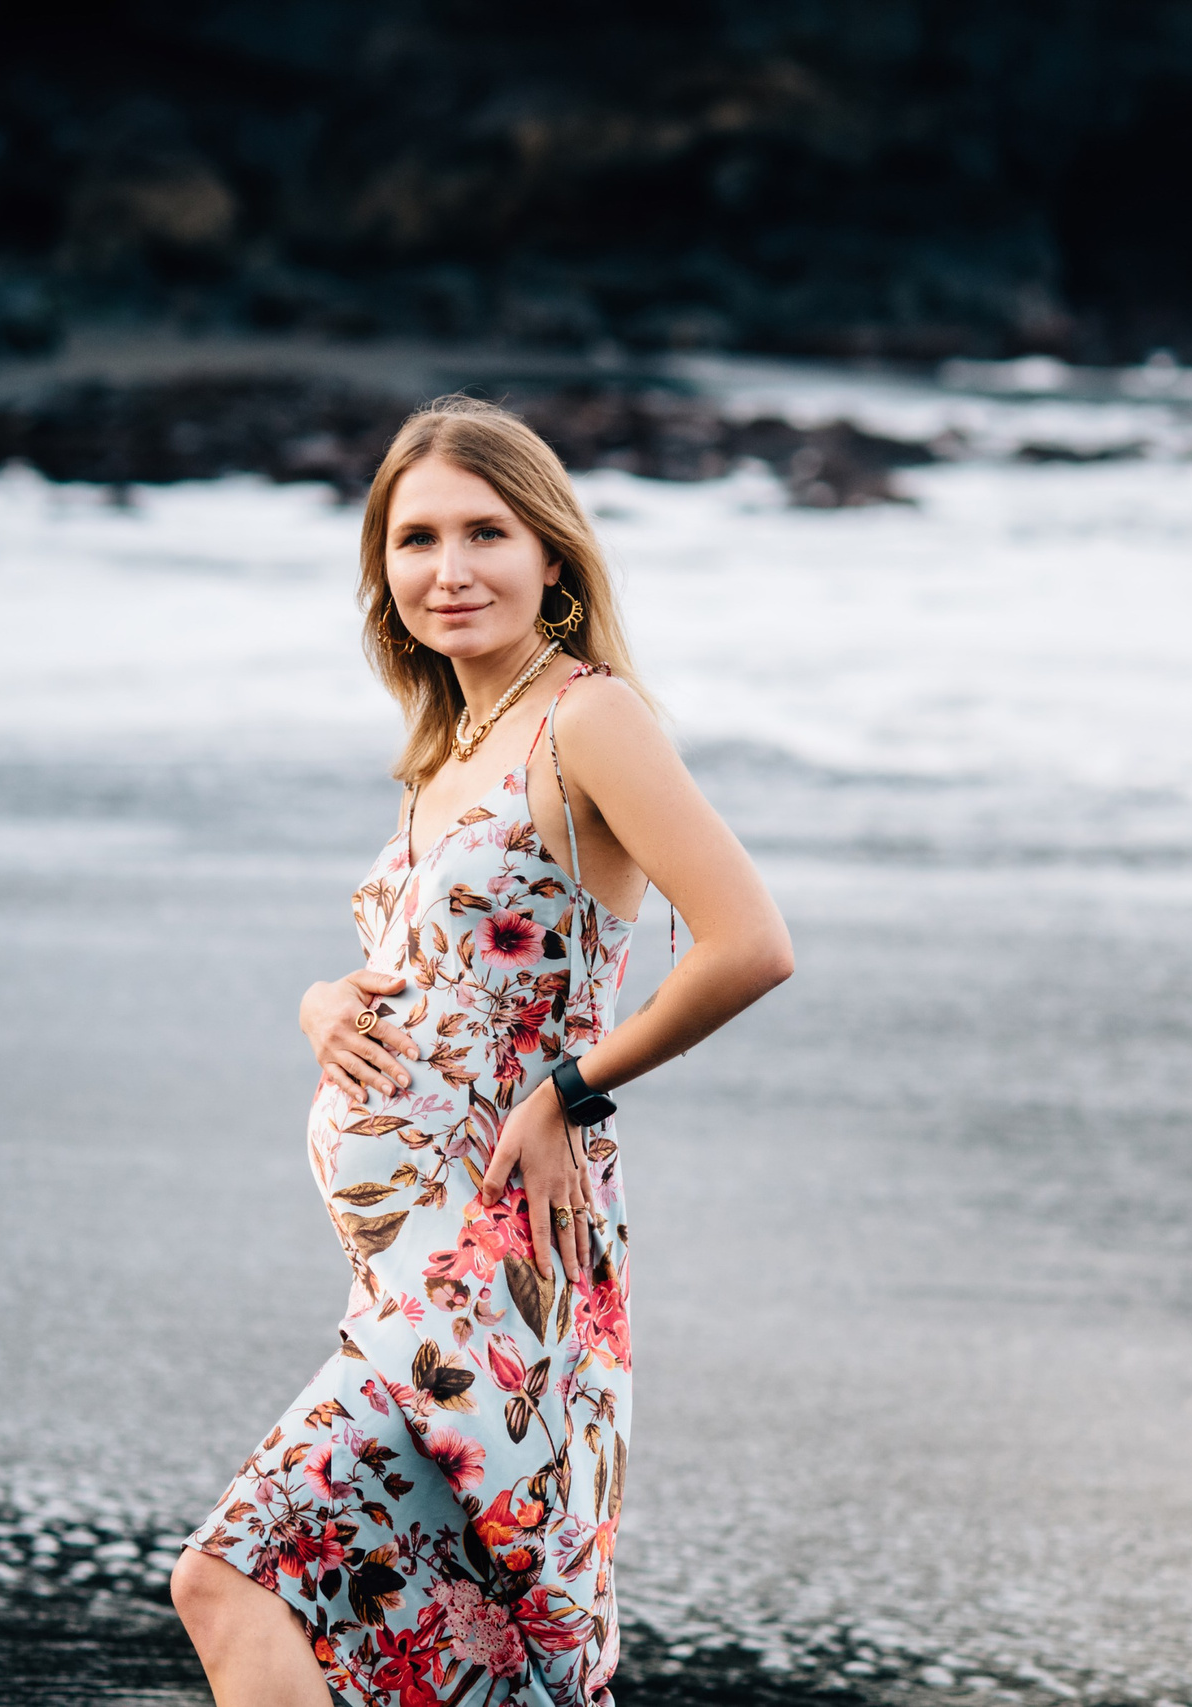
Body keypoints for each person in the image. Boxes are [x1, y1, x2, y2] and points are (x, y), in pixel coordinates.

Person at [171, 396, 794, 1707]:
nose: (449, 570)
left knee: (232, 1578)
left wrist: (575, 1088)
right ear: (382, 575)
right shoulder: (445, 745)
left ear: (553, 556)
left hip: (495, 1263)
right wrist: (316, 1004)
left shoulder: (589, 721)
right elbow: (429, 972)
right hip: (397, 1271)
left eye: (486, 533)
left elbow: (748, 941)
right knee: (453, 1644)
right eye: (416, 542)